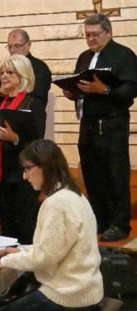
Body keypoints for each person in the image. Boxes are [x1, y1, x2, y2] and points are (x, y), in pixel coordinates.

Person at [0, 139, 104, 311]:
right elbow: (55, 248)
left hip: (69, 295)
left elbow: (44, 258)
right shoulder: (74, 194)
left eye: (27, 168)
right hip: (86, 289)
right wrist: (20, 250)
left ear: (45, 166)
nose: (24, 176)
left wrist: (4, 262)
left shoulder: (56, 204)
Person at [63, 14, 137, 242]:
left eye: (95, 35)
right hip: (88, 124)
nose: (90, 40)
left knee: (115, 175)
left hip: (112, 125)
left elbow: (131, 89)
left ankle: (120, 224)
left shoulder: (123, 55)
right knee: (92, 175)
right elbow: (81, 84)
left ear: (109, 32)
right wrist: (72, 92)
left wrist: (103, 90)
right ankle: (101, 219)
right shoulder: (84, 57)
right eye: (87, 35)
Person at [0, 55, 43, 245]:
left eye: (9, 73)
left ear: (23, 76)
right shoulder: (0, 104)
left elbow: (37, 143)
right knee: (7, 229)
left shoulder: (33, 104)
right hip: (1, 174)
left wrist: (14, 139)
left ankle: (28, 273)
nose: (3, 77)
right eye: (2, 73)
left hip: (21, 176)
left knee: (25, 229)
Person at [0, 29, 52, 135]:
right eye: (10, 46)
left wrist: (4, 93)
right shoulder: (3, 67)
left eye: (17, 46)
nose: (13, 50)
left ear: (28, 45)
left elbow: (39, 95)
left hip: (26, 118)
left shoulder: (39, 67)